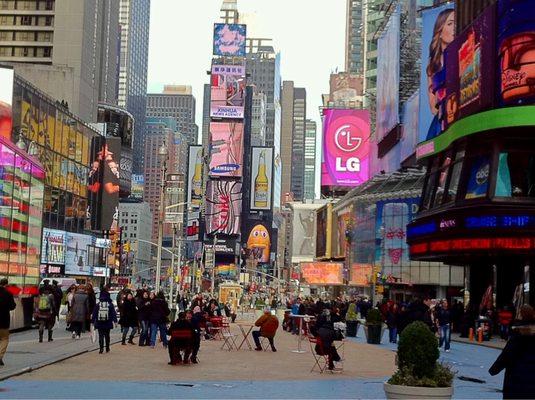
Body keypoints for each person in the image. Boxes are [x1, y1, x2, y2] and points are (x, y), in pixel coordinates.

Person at [489, 305, 535, 399]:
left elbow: (507, 354)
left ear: (521, 315)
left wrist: (494, 369)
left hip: (516, 378)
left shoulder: (519, 333)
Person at [425, 7, 455, 141]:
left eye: (456, 23)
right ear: (440, 32)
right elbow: (433, 108)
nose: (455, 27)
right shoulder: (433, 67)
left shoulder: (463, 55)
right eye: (450, 23)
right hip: (442, 122)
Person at [92, 287, 117, 354]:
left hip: (99, 322)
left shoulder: (98, 305)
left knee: (101, 336)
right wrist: (115, 321)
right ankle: (107, 348)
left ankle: (101, 349)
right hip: (108, 322)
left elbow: (94, 314)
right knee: (107, 335)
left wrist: (92, 322)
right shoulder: (110, 305)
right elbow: (113, 313)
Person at [0, 278, 16, 366]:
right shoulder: (8, 294)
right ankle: (0, 356)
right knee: (4, 339)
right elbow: (12, 306)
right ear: (6, 284)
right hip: (4, 321)